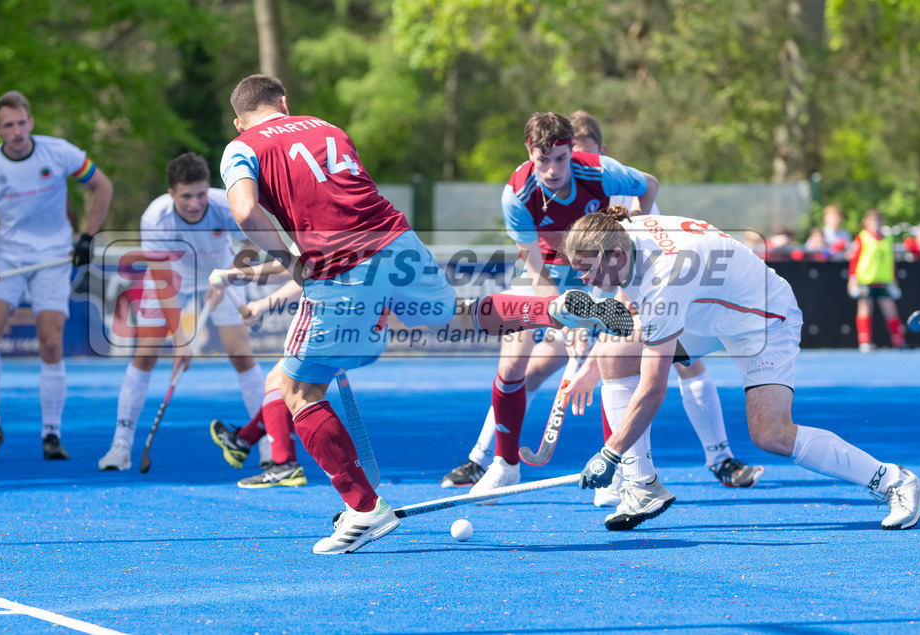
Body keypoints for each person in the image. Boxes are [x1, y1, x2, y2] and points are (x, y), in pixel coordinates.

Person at [219, 74, 628, 554]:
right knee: (457, 314)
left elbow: (245, 211)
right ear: (284, 103)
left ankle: (364, 508)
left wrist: (291, 260)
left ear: (239, 121)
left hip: (340, 267)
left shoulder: (241, 147)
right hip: (395, 238)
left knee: (296, 389)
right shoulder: (326, 127)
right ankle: (553, 306)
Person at [447, 111, 762, 525]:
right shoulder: (517, 195)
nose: (554, 170)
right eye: (544, 160)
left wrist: (613, 284)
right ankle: (502, 464)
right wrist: (562, 317)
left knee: (625, 357)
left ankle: (632, 471)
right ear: (529, 152)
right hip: (550, 271)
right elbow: (535, 268)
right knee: (513, 360)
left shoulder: (603, 174)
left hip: (609, 266)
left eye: (563, 159)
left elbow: (649, 185)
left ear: (579, 154)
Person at [566, 206, 920, 531]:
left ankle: (896, 482)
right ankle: (643, 486)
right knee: (613, 355)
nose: (583, 280)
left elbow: (652, 389)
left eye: (587, 270)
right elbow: (631, 290)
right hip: (710, 313)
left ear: (616, 255)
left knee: (771, 434)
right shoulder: (625, 231)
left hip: (765, 321)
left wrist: (611, 452)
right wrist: (600, 355)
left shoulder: (667, 277)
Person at [96, 152, 265, 471]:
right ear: (171, 193)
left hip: (221, 271)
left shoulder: (225, 203)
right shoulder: (155, 218)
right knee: (146, 353)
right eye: (186, 196)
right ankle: (120, 446)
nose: (195, 203)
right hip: (172, 276)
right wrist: (181, 342)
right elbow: (162, 283)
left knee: (240, 352)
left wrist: (228, 276)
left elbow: (253, 243)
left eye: (200, 194)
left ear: (208, 189)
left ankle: (269, 442)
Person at [0, 90, 113, 461]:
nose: (17, 131)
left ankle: (51, 433)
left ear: (31, 122)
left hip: (53, 257)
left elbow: (103, 186)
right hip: (8, 257)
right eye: (8, 125)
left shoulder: (59, 152)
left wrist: (87, 237)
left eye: (22, 123)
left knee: (51, 343)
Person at [207, 273, 309, 488]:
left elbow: (293, 272)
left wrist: (231, 276)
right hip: (362, 322)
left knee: (278, 382)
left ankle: (284, 465)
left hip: (340, 321)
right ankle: (242, 440)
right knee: (289, 384)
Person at [847, 208, 905, 352]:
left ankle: (898, 340)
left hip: (884, 281)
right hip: (865, 280)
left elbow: (891, 261)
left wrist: (894, 281)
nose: (876, 224)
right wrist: (853, 279)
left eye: (878, 220)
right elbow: (855, 259)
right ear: (866, 222)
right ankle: (865, 341)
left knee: (890, 310)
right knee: (865, 309)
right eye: (872, 221)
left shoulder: (888, 239)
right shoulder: (862, 237)